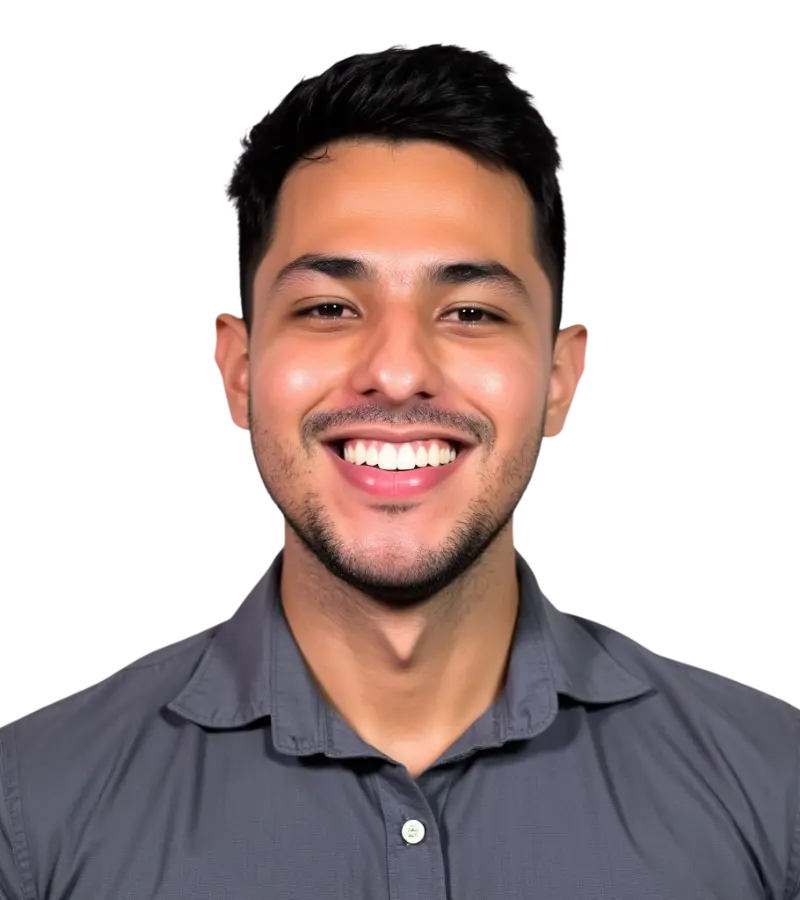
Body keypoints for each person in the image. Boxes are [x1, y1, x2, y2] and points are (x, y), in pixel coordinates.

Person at [1, 40, 797, 900]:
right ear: (237, 371)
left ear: (561, 380)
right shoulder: (34, 806)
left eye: (470, 311)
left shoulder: (775, 787)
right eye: (329, 307)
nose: (396, 370)